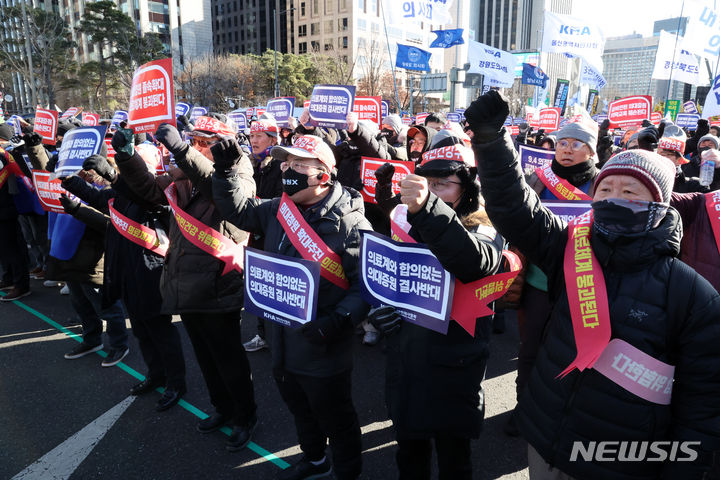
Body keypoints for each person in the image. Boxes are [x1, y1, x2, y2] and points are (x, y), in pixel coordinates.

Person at [466, 90, 720, 479]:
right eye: (605, 191)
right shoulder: (568, 245)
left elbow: (702, 408)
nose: (613, 199)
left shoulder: (692, 296)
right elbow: (515, 208)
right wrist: (490, 138)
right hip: (545, 437)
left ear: (660, 205)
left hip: (618, 462)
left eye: (630, 192)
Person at [212, 134, 371, 480]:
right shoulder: (277, 209)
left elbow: (365, 288)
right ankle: (314, 459)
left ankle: (347, 472)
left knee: (337, 418)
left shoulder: (350, 222)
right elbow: (239, 210)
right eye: (288, 165)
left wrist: (337, 321)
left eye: (300, 166)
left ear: (323, 175)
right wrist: (224, 173)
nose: (289, 173)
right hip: (282, 340)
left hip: (324, 345)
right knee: (300, 410)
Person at [113, 118, 258, 451]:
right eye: (194, 140)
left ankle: (244, 416)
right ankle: (222, 408)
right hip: (185, 282)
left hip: (218, 283)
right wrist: (126, 156)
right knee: (205, 356)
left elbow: (223, 192)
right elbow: (147, 188)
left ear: (223, 147)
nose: (196, 145)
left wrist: (181, 150)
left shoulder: (238, 170)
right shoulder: (181, 178)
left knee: (228, 357)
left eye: (204, 142)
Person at [370, 140, 503, 480]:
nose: (431, 190)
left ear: (469, 186)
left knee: (453, 456)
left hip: (456, 356)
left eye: (442, 184)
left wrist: (427, 207)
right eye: (426, 183)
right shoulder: (407, 216)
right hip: (407, 351)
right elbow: (389, 270)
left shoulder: (485, 225)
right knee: (409, 450)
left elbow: (475, 261)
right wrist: (382, 308)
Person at [60, 143, 187, 412]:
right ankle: (156, 374)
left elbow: (139, 196)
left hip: (151, 271)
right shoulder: (121, 192)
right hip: (126, 270)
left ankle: (176, 382)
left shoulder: (160, 192)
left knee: (161, 331)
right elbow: (100, 199)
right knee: (141, 330)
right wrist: (68, 180)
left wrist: (112, 175)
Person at [23, 131, 129, 366]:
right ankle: (91, 339)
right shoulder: (71, 178)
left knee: (106, 306)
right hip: (66, 252)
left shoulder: (104, 188)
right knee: (80, 303)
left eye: (85, 167)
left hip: (92, 257)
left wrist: (78, 209)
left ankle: (119, 344)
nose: (79, 172)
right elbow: (47, 176)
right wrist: (37, 149)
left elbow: (110, 223)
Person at [0, 122, 31, 301]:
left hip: (6, 208)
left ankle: (21, 285)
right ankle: (9, 277)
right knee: (4, 249)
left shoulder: (4, 155)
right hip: (4, 208)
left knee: (12, 248)